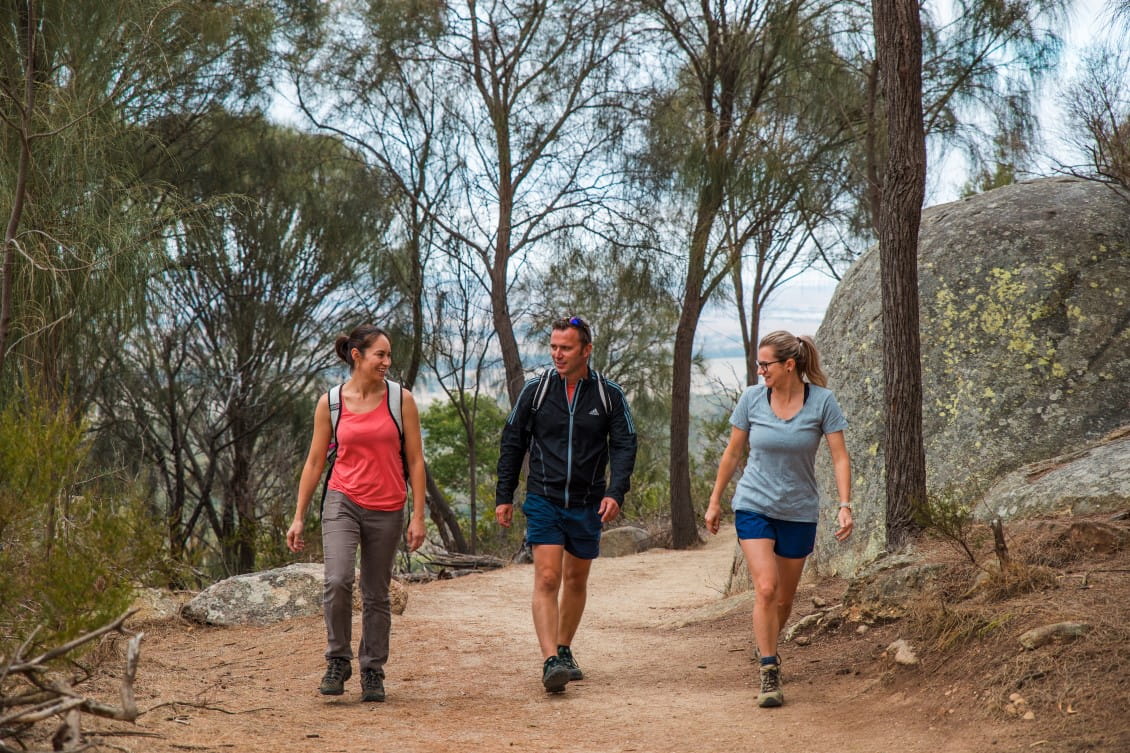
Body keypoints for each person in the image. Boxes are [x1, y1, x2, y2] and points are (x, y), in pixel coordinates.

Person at [704, 330, 853, 708]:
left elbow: (840, 457)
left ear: (789, 365)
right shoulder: (752, 399)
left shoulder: (822, 402)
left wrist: (845, 504)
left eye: (765, 364)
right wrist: (715, 501)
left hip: (799, 511)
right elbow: (732, 453)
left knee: (784, 599)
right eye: (758, 364)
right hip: (753, 504)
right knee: (767, 588)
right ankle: (769, 668)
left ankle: (766, 641)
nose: (760, 371)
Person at [495, 315, 637, 693]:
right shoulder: (536, 391)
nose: (557, 354)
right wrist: (504, 495)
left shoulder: (608, 395)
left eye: (566, 348)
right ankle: (550, 661)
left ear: (586, 350)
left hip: (588, 502)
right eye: (554, 347)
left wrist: (615, 492)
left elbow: (625, 445)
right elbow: (513, 442)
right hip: (544, 497)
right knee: (547, 577)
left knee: (575, 579)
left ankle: (564, 648)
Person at [287, 325, 427, 703]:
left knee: (376, 592)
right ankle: (338, 660)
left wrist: (418, 515)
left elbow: (416, 460)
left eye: (389, 355)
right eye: (380, 354)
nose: (387, 361)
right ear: (357, 356)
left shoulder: (401, 400)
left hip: (388, 505)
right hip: (342, 500)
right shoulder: (331, 403)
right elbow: (315, 461)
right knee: (337, 580)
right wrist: (298, 515)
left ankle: (372, 669)